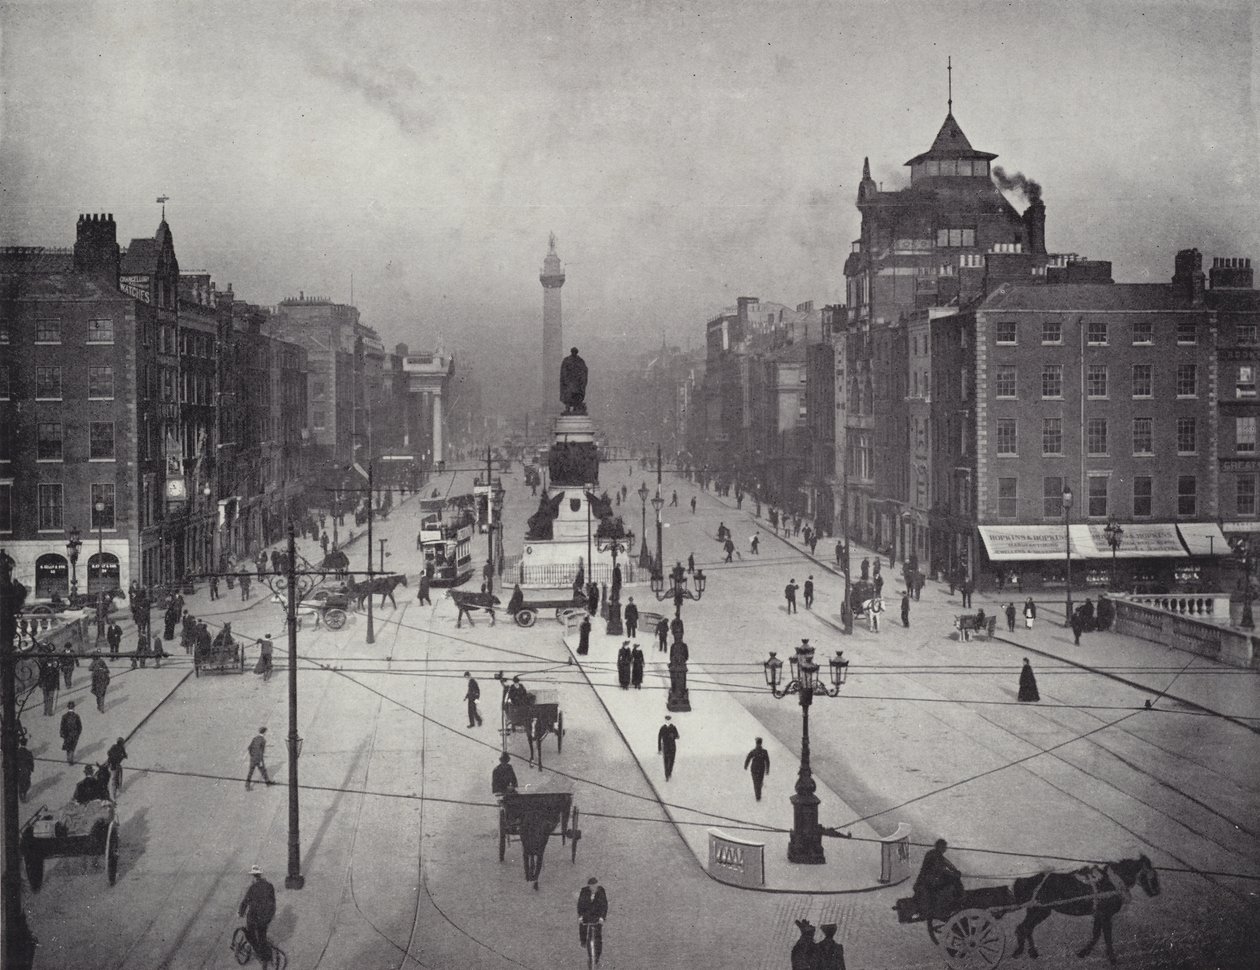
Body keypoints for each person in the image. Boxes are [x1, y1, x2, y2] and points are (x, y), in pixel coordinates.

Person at [239, 865, 277, 968]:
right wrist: (270, 914)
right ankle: (266, 956)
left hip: (254, 916)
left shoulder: (252, 887)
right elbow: (272, 901)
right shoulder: (269, 885)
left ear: (253, 876)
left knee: (251, 934)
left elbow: (245, 901)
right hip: (266, 916)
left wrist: (241, 912)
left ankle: (260, 955)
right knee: (262, 935)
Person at [914, 839, 963, 917]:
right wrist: (954, 874)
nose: (945, 849)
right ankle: (959, 900)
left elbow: (946, 862)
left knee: (952, 879)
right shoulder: (934, 855)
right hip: (929, 880)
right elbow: (941, 870)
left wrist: (955, 870)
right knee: (954, 881)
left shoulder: (934, 853)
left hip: (927, 879)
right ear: (940, 847)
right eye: (944, 847)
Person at [577, 876, 609, 965]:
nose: (594, 889)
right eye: (592, 887)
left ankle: (597, 956)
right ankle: (589, 955)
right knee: (586, 936)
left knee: (598, 938)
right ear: (589, 886)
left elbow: (604, 905)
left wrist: (602, 918)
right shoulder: (584, 891)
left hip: (597, 918)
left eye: (595, 886)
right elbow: (580, 905)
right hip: (587, 917)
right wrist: (580, 916)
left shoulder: (601, 892)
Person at [657, 715, 679, 781]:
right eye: (667, 720)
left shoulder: (673, 727)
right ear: (665, 720)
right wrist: (659, 749)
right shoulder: (662, 728)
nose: (668, 721)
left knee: (671, 760)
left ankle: (669, 772)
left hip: (672, 746)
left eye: (669, 720)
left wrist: (674, 736)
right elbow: (659, 738)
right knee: (666, 761)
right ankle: (667, 775)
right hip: (666, 746)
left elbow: (677, 736)